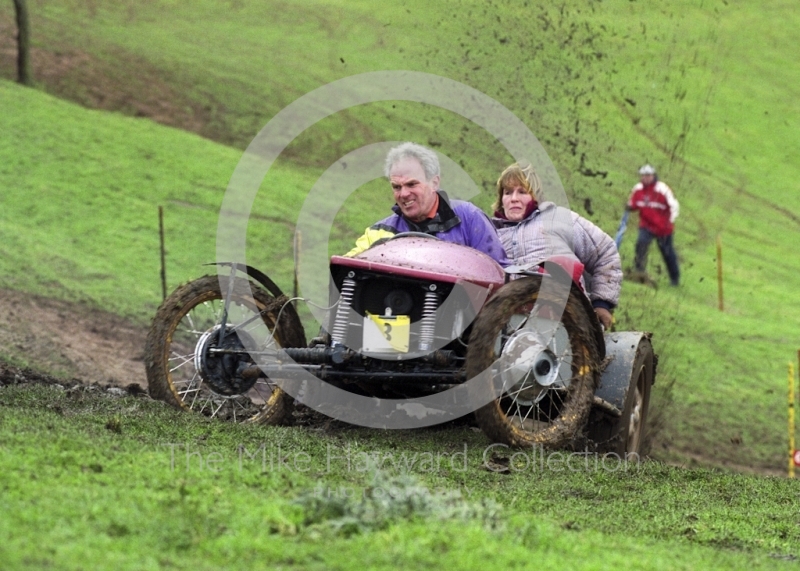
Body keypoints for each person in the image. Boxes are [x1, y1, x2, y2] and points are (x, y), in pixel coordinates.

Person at [492, 163, 622, 329]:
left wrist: (602, 303)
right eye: (508, 192)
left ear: (535, 195)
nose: (514, 198)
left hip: (566, 319)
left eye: (522, 192)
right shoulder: (491, 232)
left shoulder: (559, 219)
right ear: (501, 199)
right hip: (504, 320)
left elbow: (605, 252)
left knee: (560, 264)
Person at [346, 142, 509, 266]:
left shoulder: (469, 218)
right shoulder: (378, 232)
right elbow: (344, 268)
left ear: (434, 183)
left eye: (411, 184)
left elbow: (497, 272)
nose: (403, 194)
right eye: (397, 187)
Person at [626, 164, 680, 286]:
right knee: (641, 244)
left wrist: (669, 221)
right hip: (646, 226)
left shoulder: (663, 189)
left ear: (653, 175)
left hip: (663, 229)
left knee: (667, 252)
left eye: (648, 175)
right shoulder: (638, 189)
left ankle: (674, 279)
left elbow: (674, 206)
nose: (645, 178)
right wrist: (629, 207)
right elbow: (633, 204)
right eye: (643, 176)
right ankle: (639, 271)